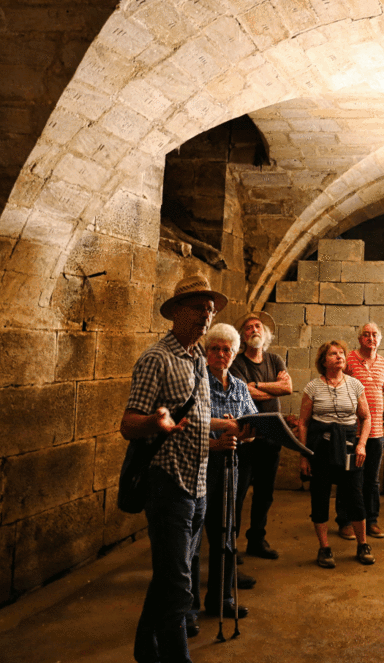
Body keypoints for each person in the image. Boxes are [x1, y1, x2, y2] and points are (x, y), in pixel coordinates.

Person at [120, 274, 226, 663]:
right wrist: (154, 422)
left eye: (210, 310)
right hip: (167, 483)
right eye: (199, 307)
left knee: (170, 575)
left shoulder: (198, 359)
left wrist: (225, 432)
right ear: (177, 312)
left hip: (197, 485)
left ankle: (144, 649)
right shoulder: (156, 360)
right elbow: (128, 423)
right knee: (180, 585)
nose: (206, 315)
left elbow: (197, 421)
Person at [190, 323, 255, 629]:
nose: (220, 354)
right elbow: (189, 424)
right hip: (201, 464)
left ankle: (222, 599)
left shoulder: (240, 387)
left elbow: (251, 429)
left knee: (226, 533)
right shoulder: (196, 381)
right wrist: (219, 435)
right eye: (214, 348)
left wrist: (243, 433)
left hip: (231, 465)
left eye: (226, 349)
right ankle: (187, 609)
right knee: (193, 539)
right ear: (206, 351)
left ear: (234, 353)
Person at [298, 340, 376, 568]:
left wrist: (361, 445)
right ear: (324, 361)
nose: (339, 356)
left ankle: (363, 544)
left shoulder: (355, 385)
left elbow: (366, 418)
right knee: (320, 497)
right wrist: (304, 455)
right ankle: (324, 548)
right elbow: (303, 423)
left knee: (355, 496)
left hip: (350, 447)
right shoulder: (312, 387)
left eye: (342, 353)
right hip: (320, 448)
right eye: (333, 354)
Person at [229, 311, 292, 560]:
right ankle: (230, 546)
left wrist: (258, 387)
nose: (254, 329)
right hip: (247, 435)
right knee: (239, 491)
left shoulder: (275, 359)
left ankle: (257, 539)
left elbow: (287, 387)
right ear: (243, 337)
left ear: (265, 333)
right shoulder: (237, 363)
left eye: (258, 326)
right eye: (248, 328)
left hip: (272, 436)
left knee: (265, 492)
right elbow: (243, 393)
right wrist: (270, 390)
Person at [335, 323, 384, 541]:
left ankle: (371, 520)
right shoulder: (348, 359)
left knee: (372, 479)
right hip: (352, 431)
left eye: (374, 334)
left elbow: (382, 390)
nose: (370, 338)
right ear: (360, 339)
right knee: (348, 478)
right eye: (366, 335)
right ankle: (345, 521)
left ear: (380, 338)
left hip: (376, 432)